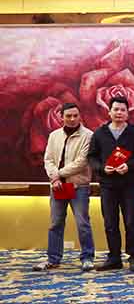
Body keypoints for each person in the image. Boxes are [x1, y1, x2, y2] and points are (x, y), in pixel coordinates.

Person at [87, 96, 134, 272]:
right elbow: (91, 157)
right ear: (109, 112)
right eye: (116, 109)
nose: (119, 112)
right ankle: (114, 257)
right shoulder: (100, 133)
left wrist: (129, 166)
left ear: (128, 113)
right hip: (107, 185)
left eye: (123, 110)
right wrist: (102, 168)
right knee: (110, 222)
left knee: (131, 221)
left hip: (129, 185)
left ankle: (133, 256)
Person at [34, 102, 95, 272]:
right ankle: (53, 259)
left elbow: (81, 162)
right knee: (55, 223)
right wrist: (55, 178)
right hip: (58, 187)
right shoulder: (54, 136)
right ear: (61, 117)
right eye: (68, 116)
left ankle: (87, 258)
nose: (72, 119)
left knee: (83, 223)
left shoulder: (88, 136)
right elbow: (48, 160)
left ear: (80, 116)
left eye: (75, 115)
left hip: (78, 186)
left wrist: (58, 175)